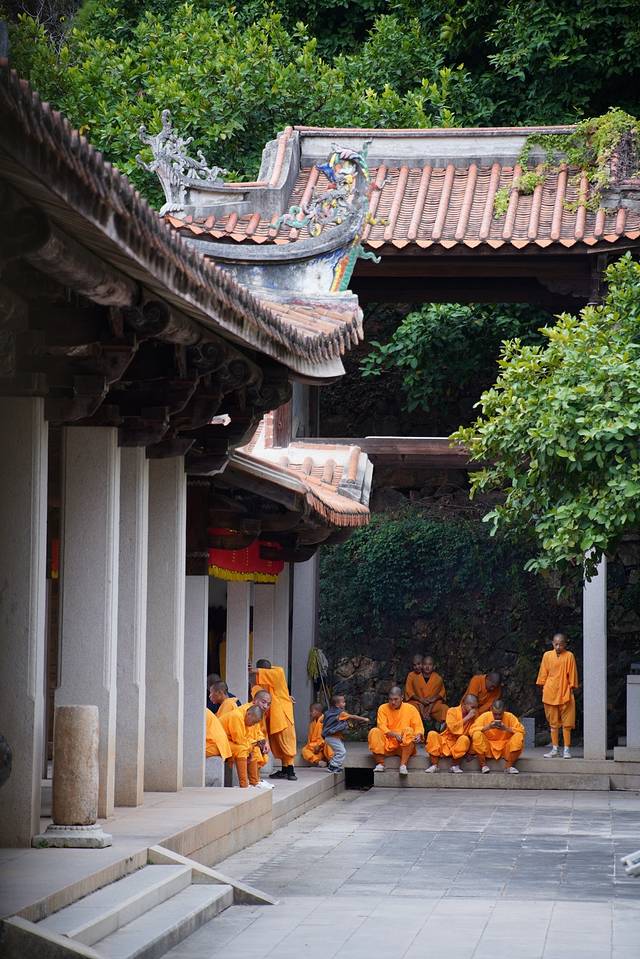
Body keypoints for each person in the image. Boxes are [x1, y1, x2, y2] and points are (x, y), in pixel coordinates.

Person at [250, 659, 297, 781]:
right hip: (273, 718)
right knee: (278, 745)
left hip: (284, 716)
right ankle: (285, 769)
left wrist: (252, 670)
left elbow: (268, 673)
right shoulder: (263, 682)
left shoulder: (278, 673)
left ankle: (291, 771)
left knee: (286, 742)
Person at [536, 632, 579, 759]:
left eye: (561, 644)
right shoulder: (547, 655)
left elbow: (572, 675)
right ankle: (555, 748)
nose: (558, 647)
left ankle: (566, 749)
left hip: (565, 691)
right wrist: (544, 688)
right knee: (553, 723)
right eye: (556, 644)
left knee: (567, 723)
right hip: (550, 692)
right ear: (552, 643)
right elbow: (543, 674)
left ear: (565, 644)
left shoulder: (569, 656)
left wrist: (571, 688)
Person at [368, 686, 424, 775]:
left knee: (409, 730)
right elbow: (381, 726)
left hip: (403, 745)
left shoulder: (411, 709)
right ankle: (380, 763)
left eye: (395, 699)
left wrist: (419, 734)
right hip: (387, 744)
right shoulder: (383, 708)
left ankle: (403, 765)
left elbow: (418, 726)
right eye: (390, 699)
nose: (393, 702)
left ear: (402, 698)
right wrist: (394, 735)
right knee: (374, 731)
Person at [425, 694, 479, 773]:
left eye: (476, 707)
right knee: (432, 734)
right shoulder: (452, 711)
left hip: (458, 743)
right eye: (472, 707)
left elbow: (475, 730)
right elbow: (452, 728)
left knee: (464, 739)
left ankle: (455, 766)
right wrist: (467, 718)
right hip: (446, 741)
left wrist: (470, 751)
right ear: (464, 704)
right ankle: (434, 765)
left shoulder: (474, 715)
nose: (474, 710)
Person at [219, 704, 268, 789]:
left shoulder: (246, 717)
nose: (252, 725)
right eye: (253, 722)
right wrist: (252, 744)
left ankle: (254, 783)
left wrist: (256, 743)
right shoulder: (236, 716)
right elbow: (239, 740)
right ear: (249, 714)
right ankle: (244, 785)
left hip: (230, 742)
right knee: (242, 749)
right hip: (219, 742)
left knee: (253, 749)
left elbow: (247, 738)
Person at [470, 699, 525, 774]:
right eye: (495, 714)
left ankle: (509, 766)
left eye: (500, 714)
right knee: (477, 734)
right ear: (491, 710)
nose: (497, 717)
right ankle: (483, 766)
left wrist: (506, 728)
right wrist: (488, 727)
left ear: (504, 710)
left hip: (505, 748)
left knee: (519, 736)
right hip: (488, 747)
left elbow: (522, 731)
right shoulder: (485, 716)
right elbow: (471, 730)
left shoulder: (510, 716)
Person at [321, 694, 369, 773]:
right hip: (332, 737)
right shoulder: (341, 713)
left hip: (329, 737)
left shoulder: (328, 712)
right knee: (342, 751)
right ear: (337, 704)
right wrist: (364, 719)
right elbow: (352, 716)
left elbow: (321, 720)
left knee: (338, 751)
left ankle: (335, 765)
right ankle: (333, 766)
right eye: (343, 702)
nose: (345, 704)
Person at [405, 654, 448, 727]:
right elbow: (409, 692)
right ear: (423, 666)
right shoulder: (415, 678)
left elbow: (441, 693)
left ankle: (443, 729)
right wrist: (421, 701)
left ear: (434, 667)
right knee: (409, 708)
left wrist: (433, 700)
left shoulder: (438, 679)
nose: (427, 667)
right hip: (418, 703)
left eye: (430, 665)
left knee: (445, 709)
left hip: (433, 704)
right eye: (425, 664)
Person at [301, 703, 333, 767]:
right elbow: (310, 741)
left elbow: (328, 736)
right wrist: (313, 748)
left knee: (328, 743)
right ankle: (319, 762)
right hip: (316, 749)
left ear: (317, 711)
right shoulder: (312, 723)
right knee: (304, 750)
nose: (310, 713)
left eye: (311, 711)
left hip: (323, 747)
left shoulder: (325, 720)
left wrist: (320, 745)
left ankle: (333, 762)